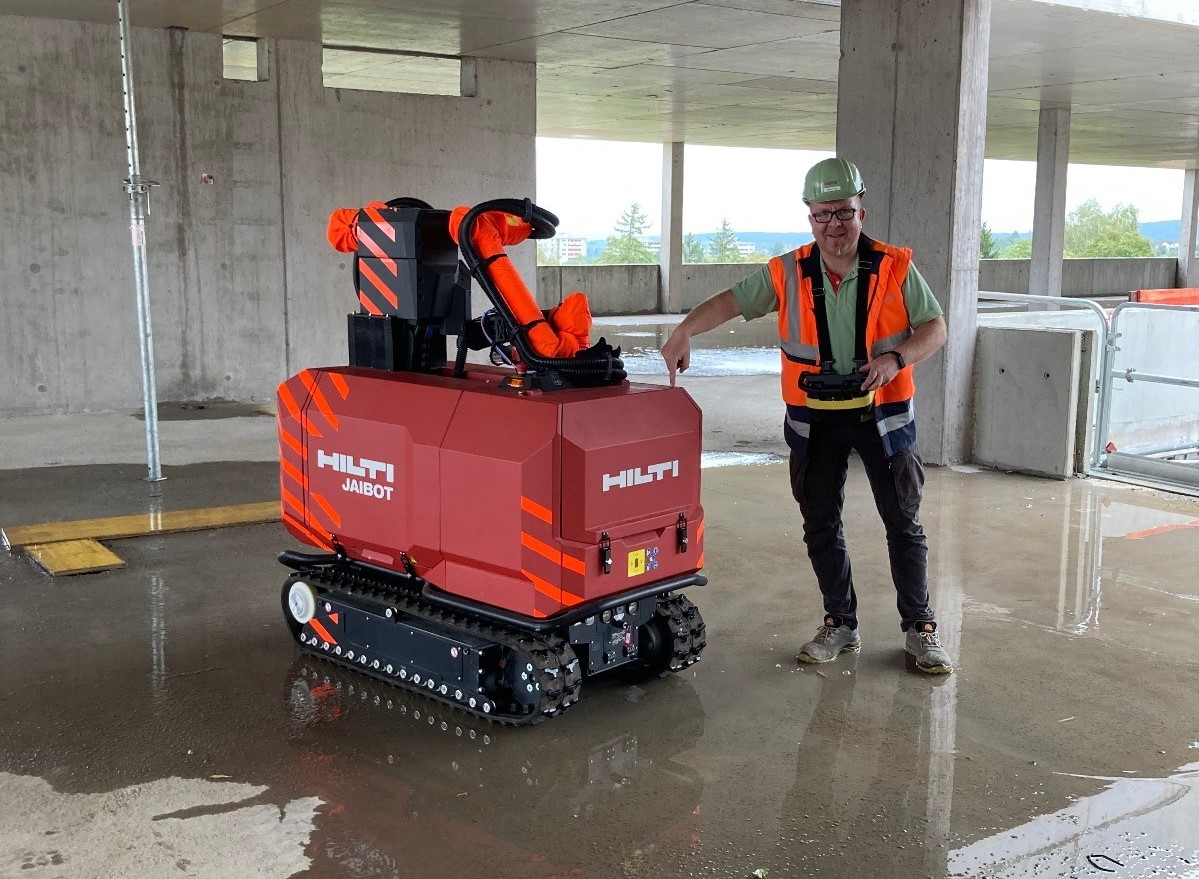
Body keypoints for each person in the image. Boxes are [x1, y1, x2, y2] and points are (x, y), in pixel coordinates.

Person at [659, 157, 953, 675]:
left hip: (881, 416)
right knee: (820, 522)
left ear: (862, 210)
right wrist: (684, 330)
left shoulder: (895, 267)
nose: (834, 225)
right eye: (822, 215)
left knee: (902, 522)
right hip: (814, 421)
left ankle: (921, 628)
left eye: (844, 213)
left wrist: (895, 358)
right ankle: (840, 622)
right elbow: (731, 302)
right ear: (809, 217)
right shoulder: (787, 272)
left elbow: (936, 328)